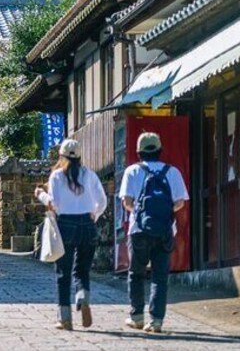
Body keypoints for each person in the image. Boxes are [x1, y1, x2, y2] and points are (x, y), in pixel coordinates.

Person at [119, 132, 189, 333]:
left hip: (138, 230)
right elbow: (179, 203)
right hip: (164, 230)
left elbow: (127, 203)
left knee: (136, 273)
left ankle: (137, 317)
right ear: (160, 150)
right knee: (160, 275)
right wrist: (162, 214)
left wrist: (142, 214)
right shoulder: (172, 172)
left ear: (139, 151)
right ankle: (156, 320)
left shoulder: (132, 171)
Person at [35, 139, 107, 331]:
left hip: (66, 225)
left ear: (62, 156)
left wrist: (39, 194)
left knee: (63, 272)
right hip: (87, 225)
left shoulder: (57, 176)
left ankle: (64, 318)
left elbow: (53, 203)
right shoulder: (90, 175)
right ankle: (82, 297)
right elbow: (102, 201)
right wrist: (94, 215)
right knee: (82, 270)